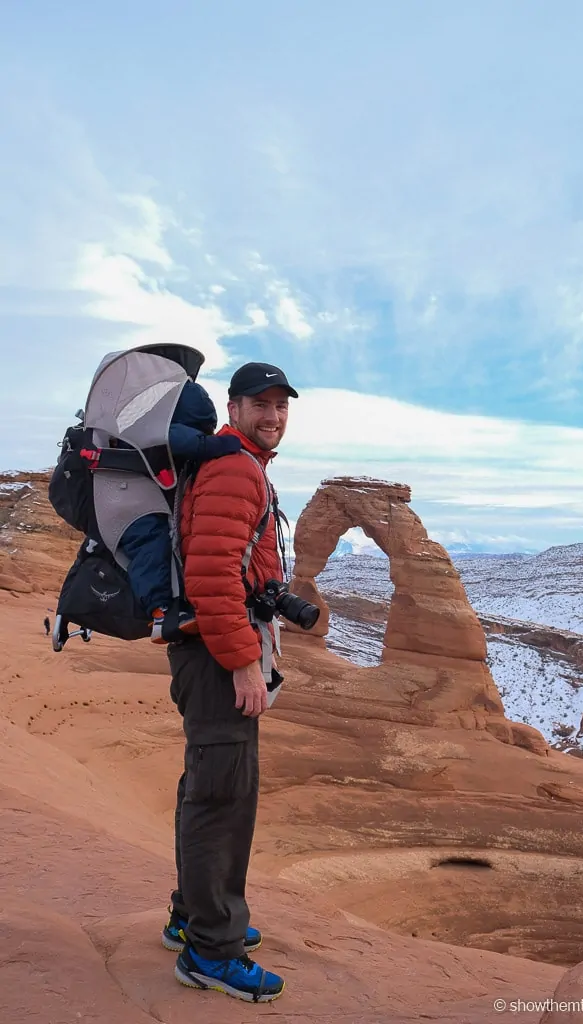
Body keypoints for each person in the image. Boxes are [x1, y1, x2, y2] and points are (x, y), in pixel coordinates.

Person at [161, 361, 297, 1003]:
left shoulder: (238, 464)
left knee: (207, 786)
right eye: (261, 405)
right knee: (224, 798)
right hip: (217, 655)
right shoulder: (236, 468)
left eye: (281, 406)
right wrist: (244, 658)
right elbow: (212, 574)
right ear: (233, 407)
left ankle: (192, 915)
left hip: (209, 648)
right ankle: (212, 950)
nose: (273, 416)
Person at [118, 378, 240, 643]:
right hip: (134, 507)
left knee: (162, 546)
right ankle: (161, 612)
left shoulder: (147, 425)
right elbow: (192, 443)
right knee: (151, 545)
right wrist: (229, 444)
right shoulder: (163, 431)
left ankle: (174, 606)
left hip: (134, 501)